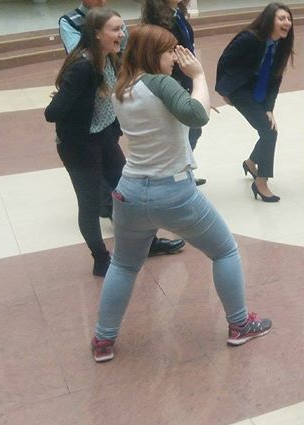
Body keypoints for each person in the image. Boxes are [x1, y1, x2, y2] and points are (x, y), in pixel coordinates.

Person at [91, 26, 271, 363]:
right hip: (172, 191)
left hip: (129, 192)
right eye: (168, 51)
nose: (174, 59)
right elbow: (197, 115)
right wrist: (199, 76)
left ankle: (103, 339)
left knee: (124, 265)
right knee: (225, 251)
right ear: (151, 54)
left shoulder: (121, 88)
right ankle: (239, 325)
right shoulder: (160, 84)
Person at [45, 9, 126, 277]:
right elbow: (52, 112)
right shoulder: (83, 66)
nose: (122, 34)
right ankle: (101, 259)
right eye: (115, 30)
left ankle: (145, 242)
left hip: (104, 137)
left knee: (128, 190)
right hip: (79, 146)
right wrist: (71, 98)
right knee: (90, 204)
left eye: (122, 28)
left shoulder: (111, 58)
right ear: (97, 34)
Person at [215, 2, 295, 202]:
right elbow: (224, 60)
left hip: (258, 89)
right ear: (269, 20)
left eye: (289, 19)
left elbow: (276, 79)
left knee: (268, 128)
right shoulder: (249, 38)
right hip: (239, 88)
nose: (287, 22)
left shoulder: (281, 45)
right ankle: (261, 182)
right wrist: (224, 90)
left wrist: (269, 108)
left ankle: (251, 163)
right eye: (281, 18)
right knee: (269, 132)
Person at [141, 0, 206, 182]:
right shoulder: (159, 23)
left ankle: (184, 173)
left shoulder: (177, 12)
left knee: (191, 131)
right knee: (185, 130)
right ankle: (177, 176)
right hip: (173, 79)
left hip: (185, 76)